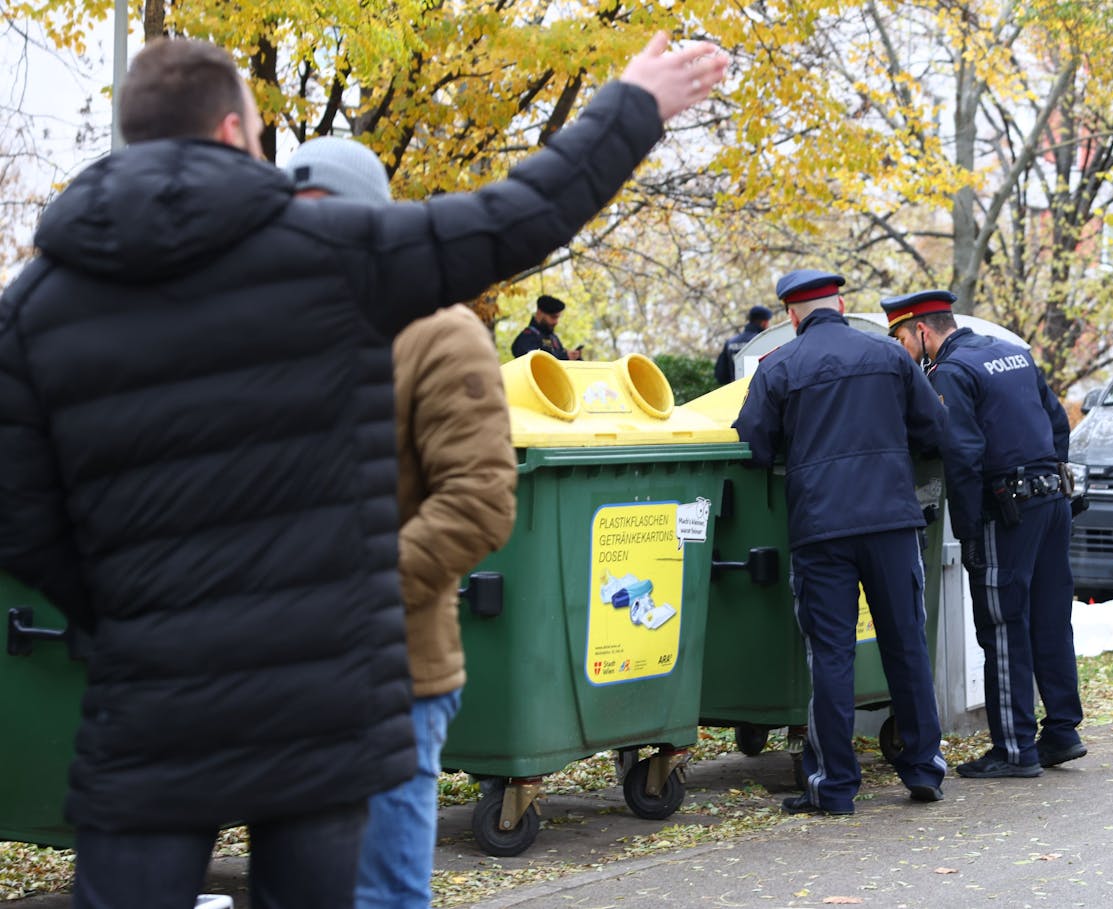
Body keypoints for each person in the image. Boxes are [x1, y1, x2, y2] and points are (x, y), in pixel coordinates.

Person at [0, 33, 725, 908]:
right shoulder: (330, 252)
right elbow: (516, 216)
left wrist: (124, 606)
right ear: (234, 130)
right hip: (318, 696)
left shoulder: (37, 305)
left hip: (151, 700)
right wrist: (633, 102)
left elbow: (18, 510)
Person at [285, 138, 517, 909]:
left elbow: (479, 501)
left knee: (380, 896)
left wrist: (350, 592)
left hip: (395, 674)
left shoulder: (439, 332)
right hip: (285, 675)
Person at [733, 269, 949, 816]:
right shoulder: (891, 356)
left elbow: (754, 444)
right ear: (842, 303)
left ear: (791, 315)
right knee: (905, 643)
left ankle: (834, 788)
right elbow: (932, 428)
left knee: (831, 653)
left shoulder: (777, 365)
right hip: (892, 524)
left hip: (822, 529)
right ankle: (923, 768)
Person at [883, 290, 1086, 778]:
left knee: (1001, 625)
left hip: (1007, 510)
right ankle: (1062, 731)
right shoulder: (1011, 353)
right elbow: (1059, 423)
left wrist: (970, 531)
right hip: (1052, 499)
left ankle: (1014, 749)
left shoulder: (952, 372)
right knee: (1050, 619)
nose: (901, 349)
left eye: (901, 338)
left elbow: (963, 454)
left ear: (923, 332)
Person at [714, 303, 772, 384]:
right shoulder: (763, 341)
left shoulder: (730, 343)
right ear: (764, 323)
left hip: (736, 391)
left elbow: (721, 375)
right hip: (759, 391)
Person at [510, 294, 581, 360]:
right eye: (553, 317)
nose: (556, 322)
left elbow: (554, 354)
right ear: (539, 313)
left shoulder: (552, 337)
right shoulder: (526, 338)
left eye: (558, 318)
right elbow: (535, 363)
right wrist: (564, 357)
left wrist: (572, 356)